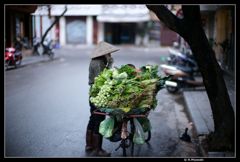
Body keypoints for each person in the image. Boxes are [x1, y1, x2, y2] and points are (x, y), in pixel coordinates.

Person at [86, 41, 119, 157]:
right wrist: (110, 65)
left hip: (92, 94)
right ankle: (98, 149)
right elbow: (103, 79)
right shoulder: (99, 63)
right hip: (98, 94)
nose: (109, 55)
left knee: (93, 118)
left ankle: (89, 145)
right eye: (108, 53)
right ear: (104, 53)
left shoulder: (95, 61)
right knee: (99, 120)